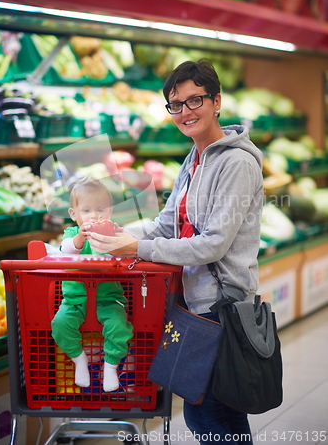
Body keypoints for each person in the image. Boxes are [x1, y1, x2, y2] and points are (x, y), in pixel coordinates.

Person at [88, 59, 263, 444]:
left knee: (210, 415)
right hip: (195, 304)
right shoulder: (193, 159)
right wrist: (113, 232)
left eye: (195, 100)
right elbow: (166, 223)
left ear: (217, 101)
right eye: (176, 104)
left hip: (223, 306)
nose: (185, 112)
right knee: (217, 413)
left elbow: (214, 243)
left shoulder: (236, 162)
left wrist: (137, 247)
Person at [51, 176, 133, 393]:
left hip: (108, 299)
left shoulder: (113, 234)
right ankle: (79, 360)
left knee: (119, 326)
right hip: (75, 300)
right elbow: (66, 250)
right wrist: (80, 237)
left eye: (101, 210)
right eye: (86, 211)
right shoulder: (71, 234)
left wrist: (116, 238)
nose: (94, 216)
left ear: (110, 212)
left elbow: (126, 254)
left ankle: (111, 366)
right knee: (59, 324)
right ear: (74, 214)